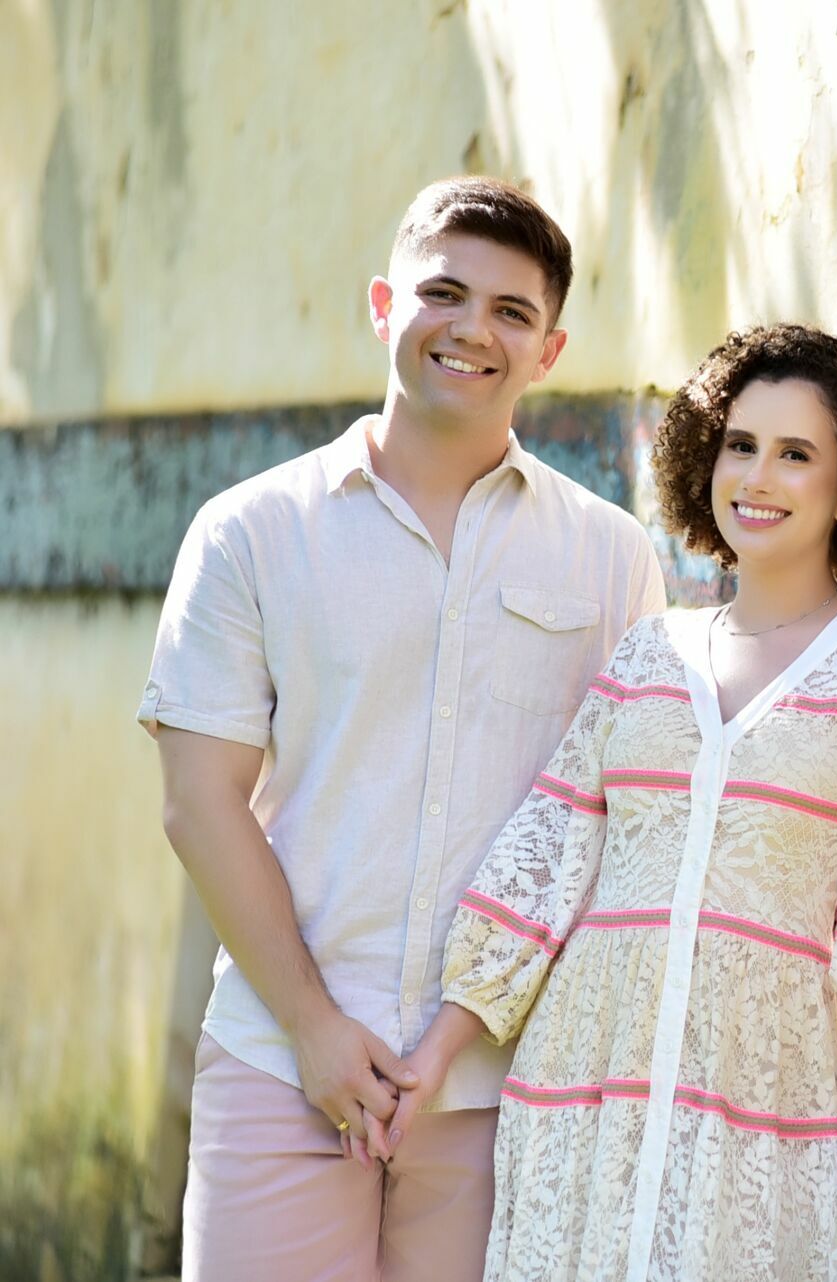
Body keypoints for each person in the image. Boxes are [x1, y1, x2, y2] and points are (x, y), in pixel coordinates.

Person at [140, 176, 666, 1281]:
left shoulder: (611, 557)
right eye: (443, 293)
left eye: (511, 312)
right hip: (282, 1062)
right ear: (384, 304)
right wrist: (315, 1027)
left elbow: (618, 822)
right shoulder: (250, 533)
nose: (473, 329)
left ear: (549, 350)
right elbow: (199, 803)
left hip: (508, 1090)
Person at [408, 323, 837, 1279]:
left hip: (765, 1085)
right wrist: (429, 1062)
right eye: (740, 445)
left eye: (796, 454)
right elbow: (551, 849)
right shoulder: (647, 653)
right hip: (586, 1079)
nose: (758, 477)